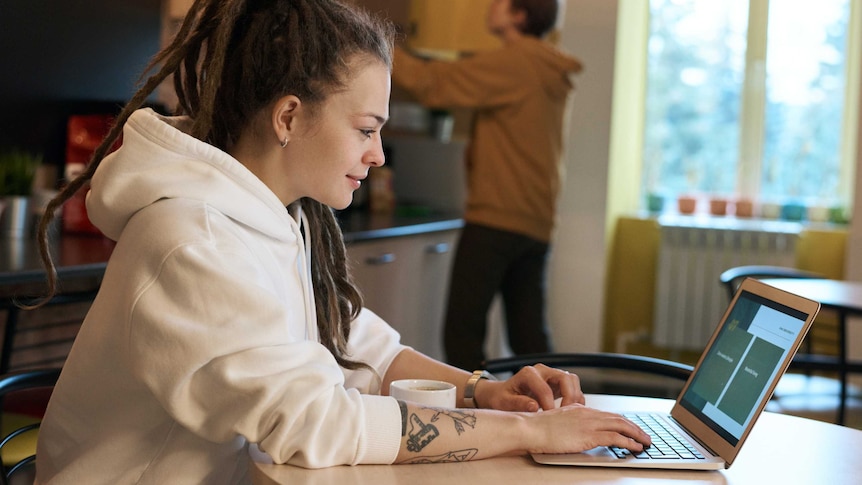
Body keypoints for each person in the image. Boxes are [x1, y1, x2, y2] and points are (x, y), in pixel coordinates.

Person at [32, 1, 646, 483]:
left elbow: (353, 341)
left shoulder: (275, 216)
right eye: (365, 129)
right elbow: (316, 425)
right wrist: (531, 434)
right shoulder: (194, 240)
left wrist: (482, 389)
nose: (377, 155)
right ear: (290, 117)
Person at [391, 0, 583, 370]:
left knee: (462, 334)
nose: (490, 5)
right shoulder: (546, 65)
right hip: (536, 221)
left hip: (496, 219)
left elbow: (434, 84)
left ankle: (476, 417)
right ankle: (556, 411)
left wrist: (376, 43)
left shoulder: (516, 62)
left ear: (519, 15)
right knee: (529, 339)